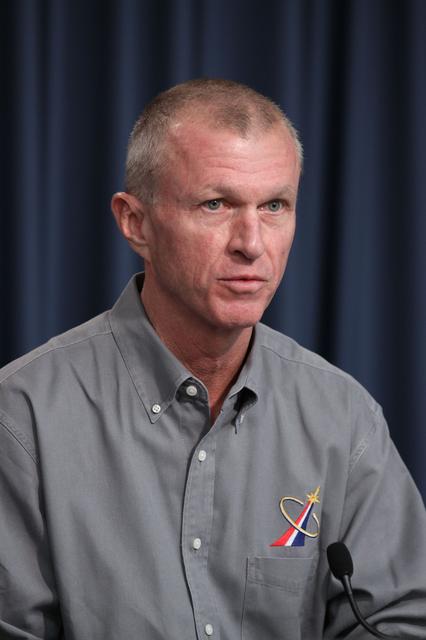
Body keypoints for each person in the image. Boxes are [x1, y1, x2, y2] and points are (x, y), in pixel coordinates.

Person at [0, 78, 425, 640]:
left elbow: (398, 621)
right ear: (135, 223)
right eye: (216, 204)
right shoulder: (22, 417)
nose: (251, 242)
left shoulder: (345, 419)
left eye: (274, 206)